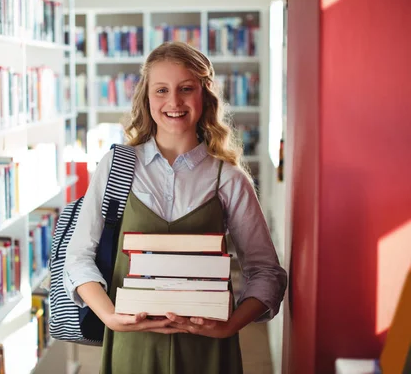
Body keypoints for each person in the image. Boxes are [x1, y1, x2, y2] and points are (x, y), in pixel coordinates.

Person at [63, 41, 287, 374]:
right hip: (132, 345)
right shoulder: (117, 166)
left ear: (205, 95)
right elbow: (78, 256)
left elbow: (266, 272)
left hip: (208, 350)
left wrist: (230, 326)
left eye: (186, 89)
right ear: (146, 97)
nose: (174, 102)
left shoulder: (228, 178)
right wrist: (110, 316)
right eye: (161, 90)